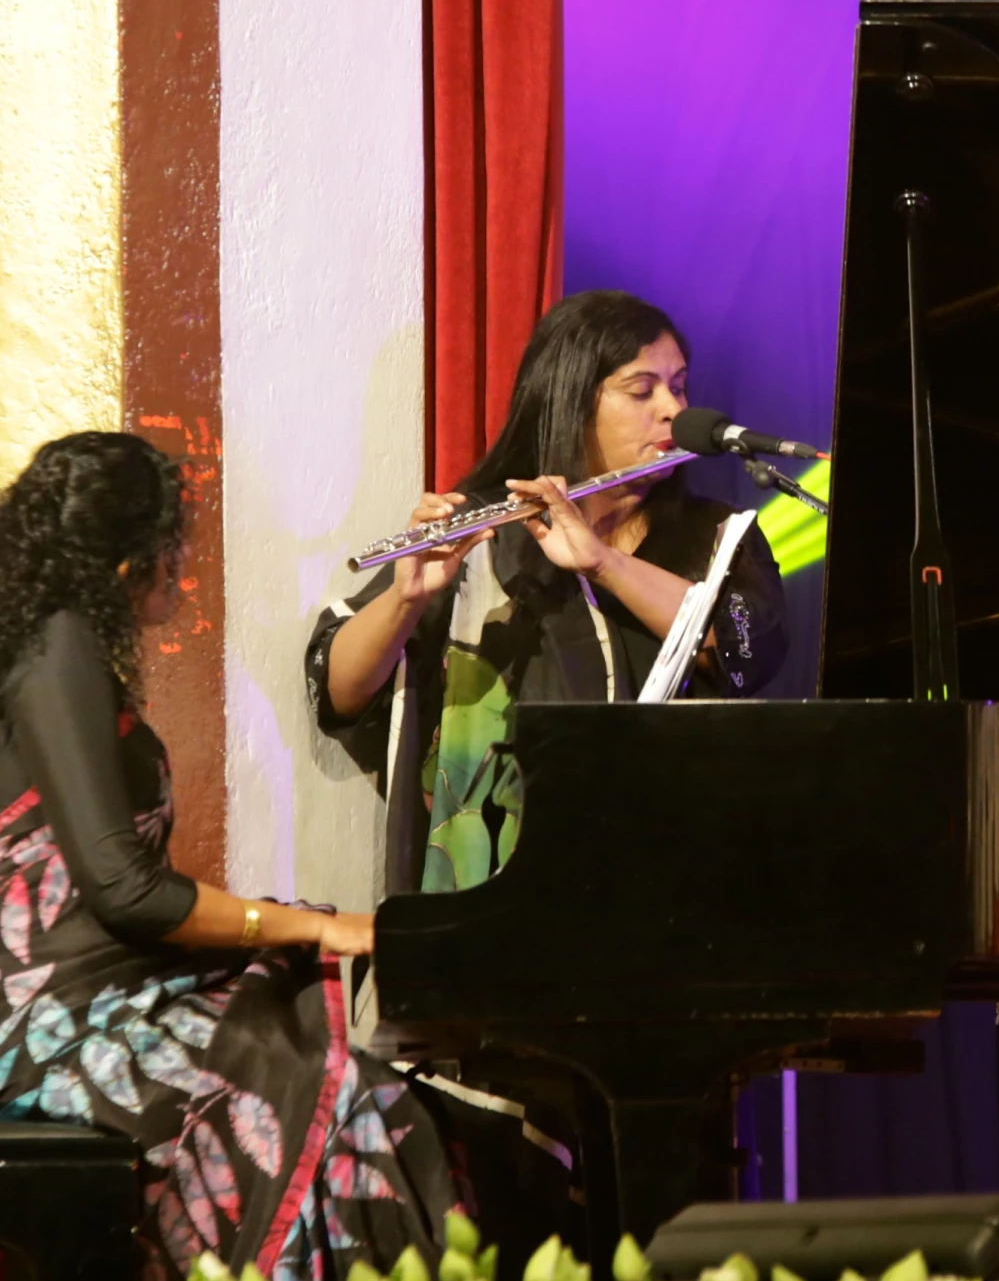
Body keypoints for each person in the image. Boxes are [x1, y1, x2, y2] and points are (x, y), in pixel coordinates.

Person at [0, 431, 456, 1281]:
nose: (181, 568)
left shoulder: (50, 645)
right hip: (4, 1015)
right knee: (334, 1099)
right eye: (172, 545)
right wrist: (318, 924)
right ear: (127, 561)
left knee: (322, 1072)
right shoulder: (58, 643)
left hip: (38, 995)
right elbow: (125, 889)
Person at [306, 289, 788, 895]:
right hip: (506, 888)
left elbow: (752, 649)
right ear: (571, 399)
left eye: (679, 386)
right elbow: (339, 692)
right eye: (642, 391)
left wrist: (604, 562)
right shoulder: (488, 532)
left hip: (677, 880)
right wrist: (407, 599)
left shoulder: (719, 536)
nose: (673, 408)